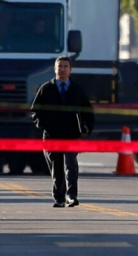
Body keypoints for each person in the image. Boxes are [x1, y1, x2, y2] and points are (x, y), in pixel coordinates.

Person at [30, 56, 94, 208]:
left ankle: (71, 196)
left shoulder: (77, 89)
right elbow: (35, 111)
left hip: (71, 134)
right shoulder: (46, 88)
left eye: (65, 66)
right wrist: (44, 126)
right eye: (60, 66)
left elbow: (87, 110)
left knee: (70, 165)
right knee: (56, 167)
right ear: (55, 69)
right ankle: (59, 197)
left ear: (70, 70)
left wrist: (86, 128)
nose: (62, 69)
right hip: (52, 135)